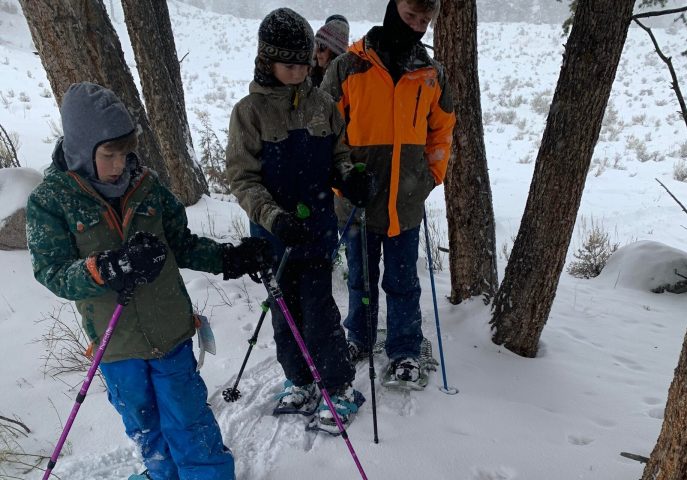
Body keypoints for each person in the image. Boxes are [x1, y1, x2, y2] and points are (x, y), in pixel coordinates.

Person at [26, 82, 274, 480]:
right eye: (109, 154)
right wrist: (108, 267)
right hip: (117, 345)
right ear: (82, 149)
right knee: (145, 428)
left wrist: (231, 257)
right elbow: (51, 272)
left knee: (189, 422)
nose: (120, 164)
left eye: (125, 153)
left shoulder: (147, 186)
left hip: (170, 332)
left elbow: (183, 244)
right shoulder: (51, 201)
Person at [225, 8, 373, 433]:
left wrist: (349, 178)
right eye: (289, 65)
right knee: (283, 309)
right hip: (275, 237)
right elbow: (242, 178)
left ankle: (338, 386)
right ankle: (299, 379)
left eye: (304, 63)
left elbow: (339, 157)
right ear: (266, 62)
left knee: (319, 308)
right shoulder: (249, 112)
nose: (299, 72)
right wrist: (274, 218)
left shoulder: (324, 105)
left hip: (317, 232)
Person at [321, 0, 456, 386]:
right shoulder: (349, 67)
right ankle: (359, 337)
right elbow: (326, 130)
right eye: (411, 16)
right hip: (356, 202)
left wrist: (431, 175)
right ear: (393, 7)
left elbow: (442, 130)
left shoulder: (431, 74)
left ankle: (405, 350)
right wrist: (343, 176)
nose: (416, 26)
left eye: (425, 20)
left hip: (405, 203)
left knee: (402, 282)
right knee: (360, 277)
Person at [310, 14, 350, 87]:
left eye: (322, 46)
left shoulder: (347, 82)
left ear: (336, 51)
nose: (317, 51)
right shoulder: (307, 74)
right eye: (316, 44)